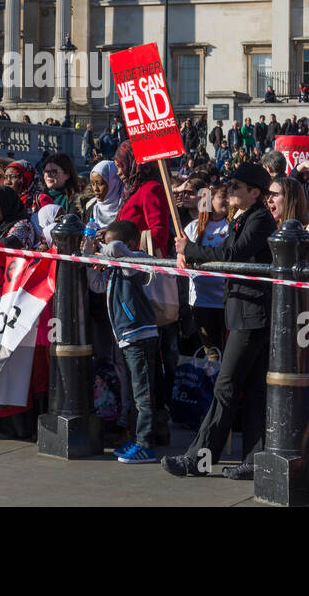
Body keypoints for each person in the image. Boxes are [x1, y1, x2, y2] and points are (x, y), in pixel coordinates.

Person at [163, 162, 276, 480]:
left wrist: (190, 249)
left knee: (226, 387)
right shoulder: (244, 218)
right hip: (242, 311)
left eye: (237, 186)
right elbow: (225, 250)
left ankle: (197, 459)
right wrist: (193, 250)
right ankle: (254, 460)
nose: (230, 191)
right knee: (252, 390)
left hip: (253, 315)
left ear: (254, 192)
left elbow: (233, 255)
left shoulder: (259, 220)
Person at [87, 218, 161, 464]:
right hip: (127, 338)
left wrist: (104, 249)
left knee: (144, 395)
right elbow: (97, 285)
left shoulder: (137, 261)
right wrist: (90, 251)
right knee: (134, 393)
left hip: (140, 335)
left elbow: (118, 250)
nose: (107, 250)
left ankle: (146, 444)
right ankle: (136, 438)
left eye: (110, 244)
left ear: (131, 243)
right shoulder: (117, 265)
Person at [180, 181, 228, 361]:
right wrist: (181, 256)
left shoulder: (233, 226)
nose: (228, 201)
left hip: (226, 300)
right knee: (212, 353)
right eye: (223, 196)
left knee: (228, 351)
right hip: (202, 301)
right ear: (210, 200)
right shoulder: (193, 228)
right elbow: (181, 254)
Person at [111, 142, 171, 256]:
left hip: (142, 263)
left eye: (120, 166)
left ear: (132, 163)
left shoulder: (151, 189)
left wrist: (126, 244)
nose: (118, 173)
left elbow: (160, 234)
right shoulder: (130, 190)